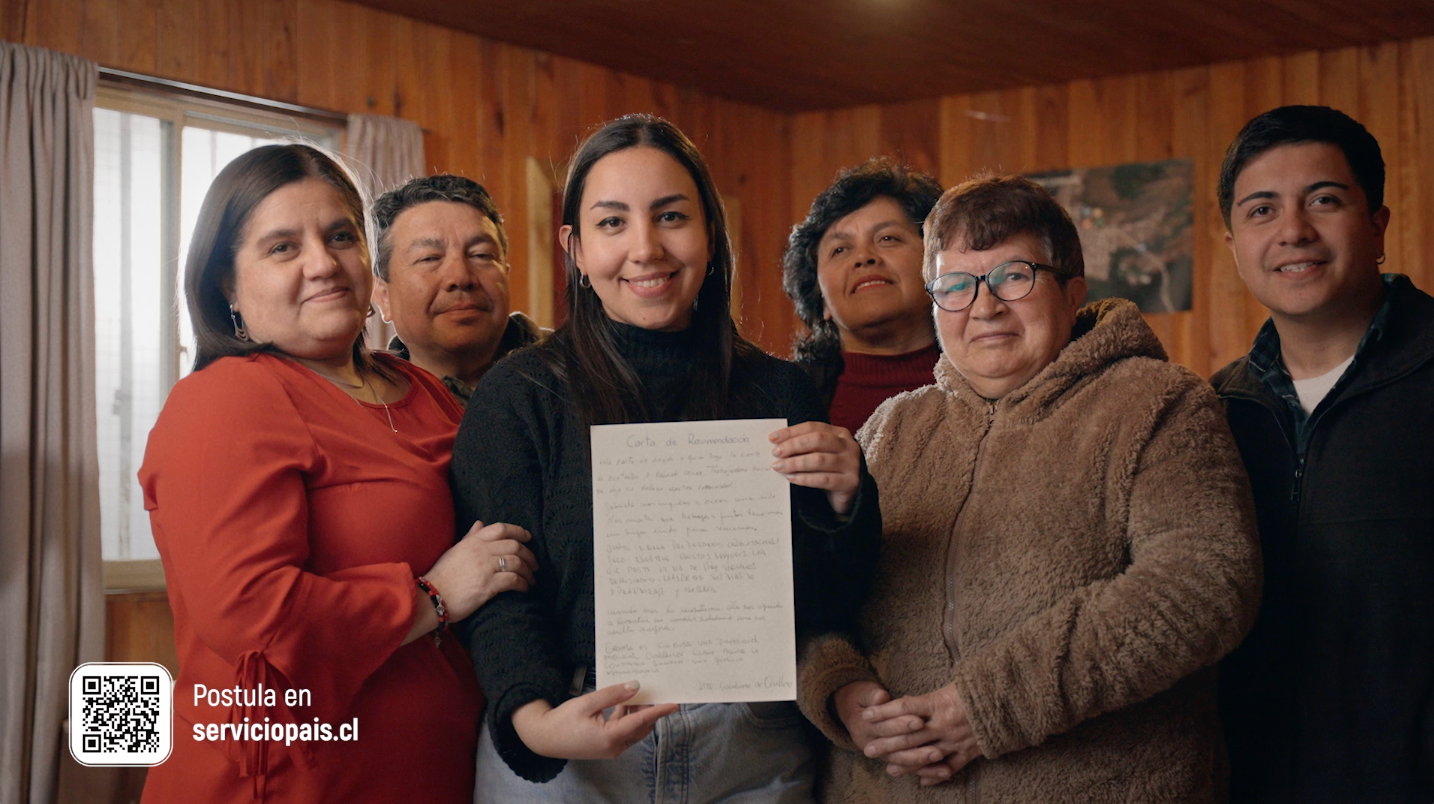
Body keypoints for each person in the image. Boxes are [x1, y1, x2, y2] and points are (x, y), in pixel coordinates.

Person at [453, 114, 882, 802]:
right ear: (576, 248)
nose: (646, 248)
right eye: (613, 222)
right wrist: (536, 725)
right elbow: (499, 591)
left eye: (671, 216)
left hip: (748, 742)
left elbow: (825, 604)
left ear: (710, 234)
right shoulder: (520, 394)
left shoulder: (780, 390)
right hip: (570, 740)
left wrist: (846, 503)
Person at [796, 174, 1261, 802]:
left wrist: (986, 708)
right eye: (956, 286)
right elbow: (813, 598)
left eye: (1013, 277)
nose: (984, 308)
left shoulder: (1159, 402)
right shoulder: (890, 429)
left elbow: (1204, 583)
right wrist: (841, 692)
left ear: (1073, 292)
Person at [138, 144, 535, 803]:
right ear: (227, 286)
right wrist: (430, 597)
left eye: (340, 236)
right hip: (292, 782)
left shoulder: (421, 390)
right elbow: (250, 612)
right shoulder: (227, 398)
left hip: (436, 771)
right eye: (282, 247)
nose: (322, 264)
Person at [1212, 105, 1434, 802]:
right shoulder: (1208, 412)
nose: (1293, 232)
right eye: (1261, 210)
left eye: (1325, 200)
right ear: (1233, 243)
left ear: (1378, 226)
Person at [782, 158, 943, 432]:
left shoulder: (994, 378)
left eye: (887, 238)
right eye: (840, 250)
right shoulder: (779, 399)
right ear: (819, 298)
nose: (864, 257)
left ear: (938, 263)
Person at [372, 174, 541, 406]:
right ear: (383, 296)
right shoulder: (366, 407)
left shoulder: (584, 369)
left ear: (505, 274)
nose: (460, 277)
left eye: (480, 255)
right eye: (429, 258)